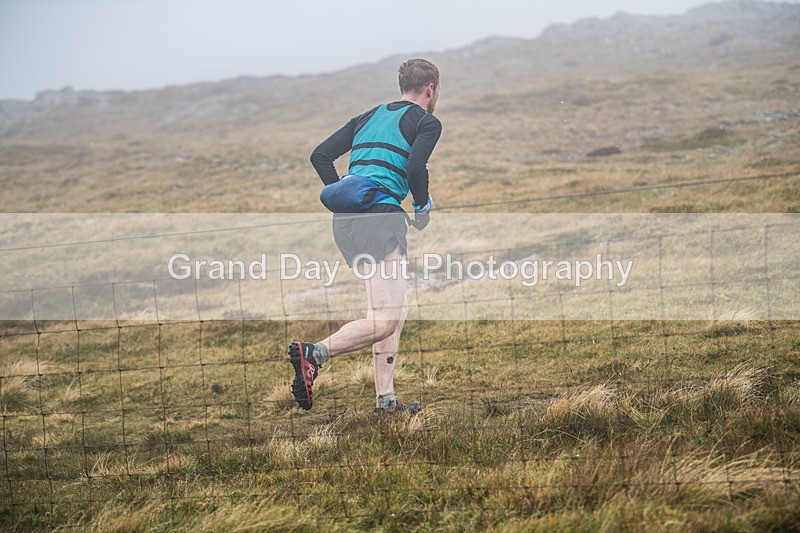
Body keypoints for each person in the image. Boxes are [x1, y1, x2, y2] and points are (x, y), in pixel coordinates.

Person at [288, 58, 442, 414]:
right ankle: (315, 354)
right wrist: (421, 208)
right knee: (385, 318)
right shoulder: (426, 121)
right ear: (430, 89)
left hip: (348, 221)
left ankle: (385, 401)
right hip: (380, 219)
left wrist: (349, 194)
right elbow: (414, 167)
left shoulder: (367, 116)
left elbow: (320, 156)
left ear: (403, 83)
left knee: (392, 311)